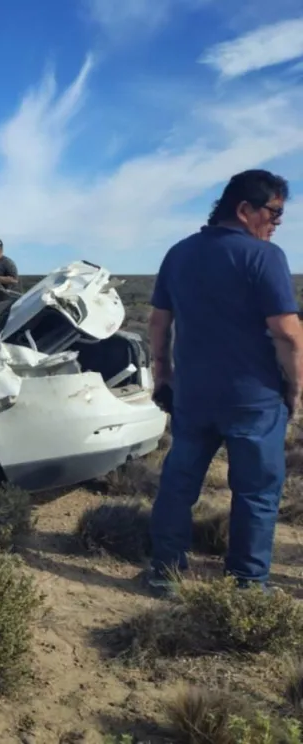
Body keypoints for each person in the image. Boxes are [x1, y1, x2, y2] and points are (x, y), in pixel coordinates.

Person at [145, 169, 303, 596]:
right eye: (274, 213)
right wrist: (295, 388)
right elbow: (288, 333)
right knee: (256, 493)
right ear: (244, 209)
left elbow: (158, 322)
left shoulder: (178, 254)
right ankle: (248, 584)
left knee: (178, 485)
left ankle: (165, 572)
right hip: (254, 400)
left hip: (193, 396)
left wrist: (163, 377)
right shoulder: (263, 257)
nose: (276, 223)